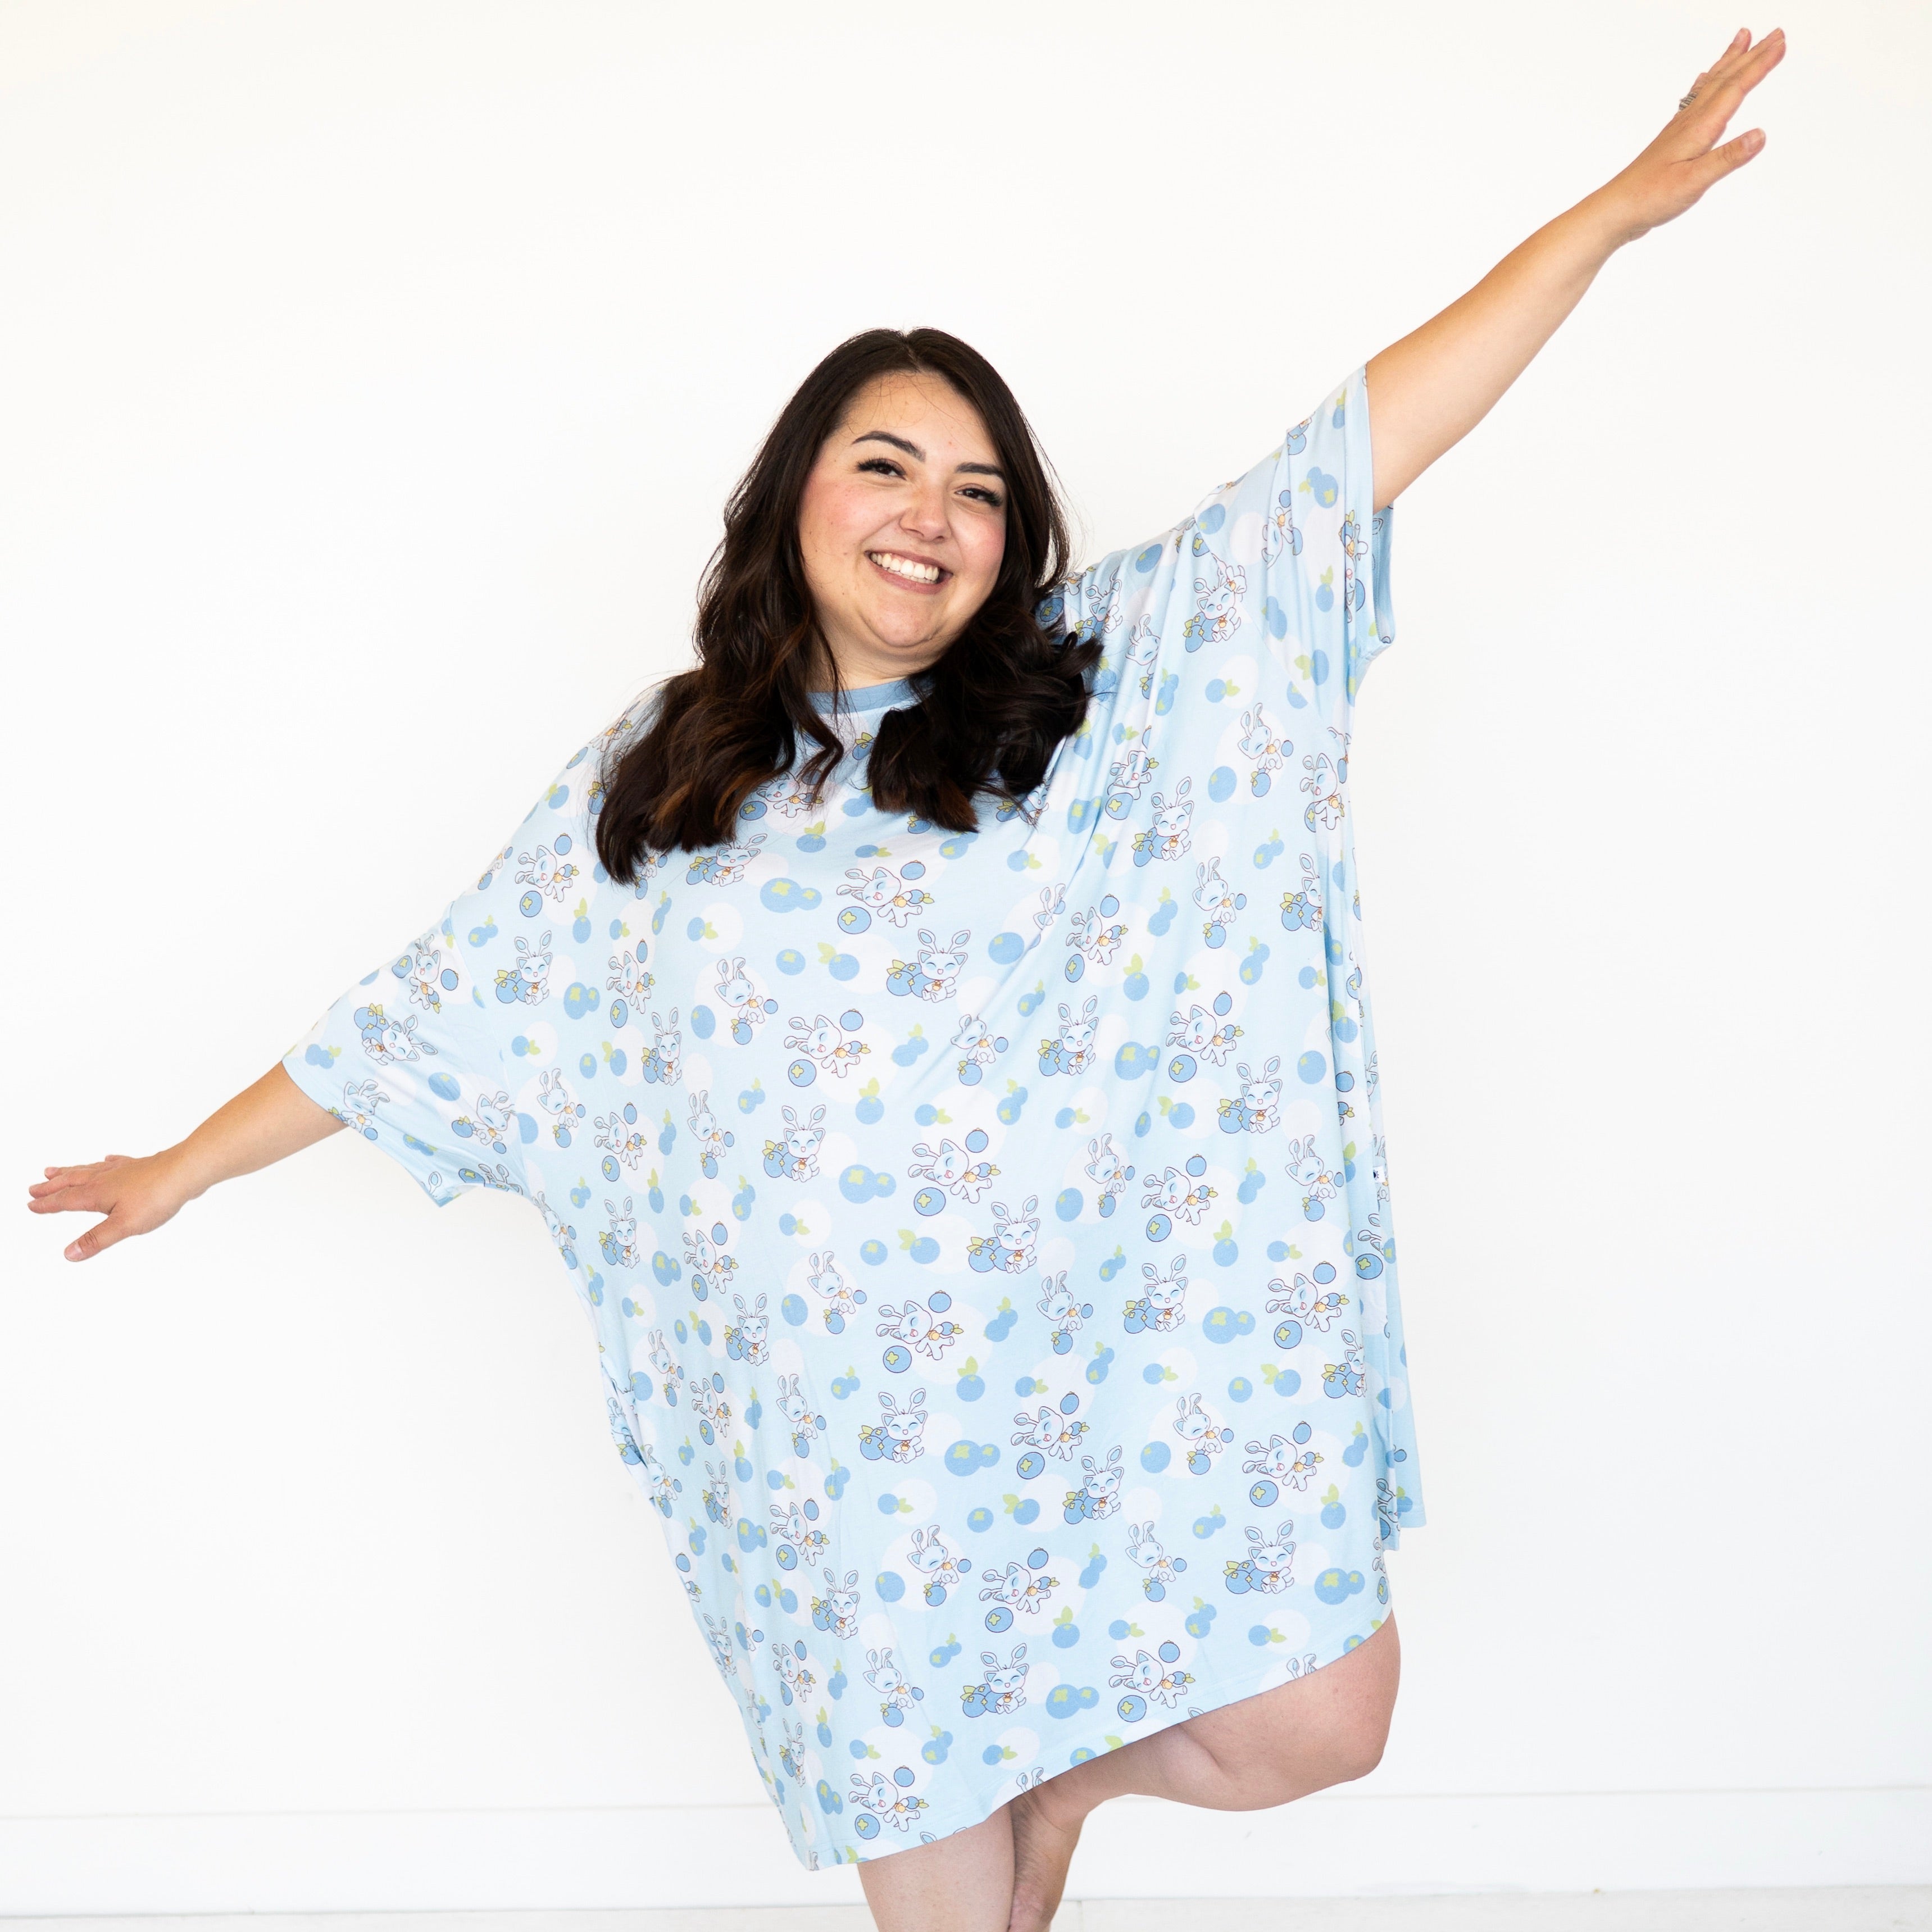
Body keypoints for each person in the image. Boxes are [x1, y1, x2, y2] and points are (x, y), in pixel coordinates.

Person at [28, 28, 1783, 1932]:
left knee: (1317, 1716)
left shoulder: (1099, 694)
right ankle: (995, 1801)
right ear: (796, 495)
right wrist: (183, 1167)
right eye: (885, 465)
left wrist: (1606, 219)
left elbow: (1351, 450)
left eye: (976, 490)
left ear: (1014, 544)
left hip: (1096, 1396)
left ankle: (1058, 1779)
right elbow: (444, 1008)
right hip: (849, 1470)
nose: (929, 515)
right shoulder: (669, 764)